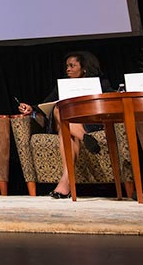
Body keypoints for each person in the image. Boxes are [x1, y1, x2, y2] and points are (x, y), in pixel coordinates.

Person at [17, 51, 112, 199]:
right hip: (65, 121)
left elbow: (110, 100)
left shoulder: (100, 83)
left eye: (72, 66)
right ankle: (85, 138)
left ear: (84, 68)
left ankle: (65, 183)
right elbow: (46, 104)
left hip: (89, 123)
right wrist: (31, 108)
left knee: (65, 133)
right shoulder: (62, 85)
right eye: (67, 66)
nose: (68, 69)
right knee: (59, 108)